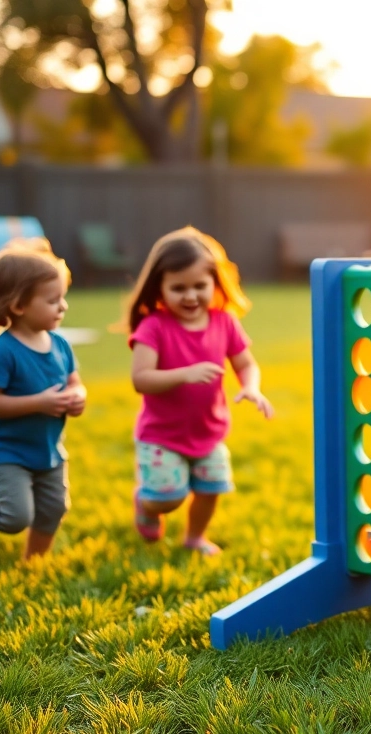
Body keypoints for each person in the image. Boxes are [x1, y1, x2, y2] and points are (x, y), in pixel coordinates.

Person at [123, 227, 273, 556]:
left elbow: (246, 363)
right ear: (159, 288)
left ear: (215, 284)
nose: (190, 296)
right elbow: (141, 379)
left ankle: (194, 537)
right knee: (167, 498)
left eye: (199, 286)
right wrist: (185, 374)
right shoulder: (154, 327)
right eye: (179, 288)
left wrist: (251, 387)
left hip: (208, 431)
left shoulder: (225, 322)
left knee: (211, 489)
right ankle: (146, 505)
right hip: (162, 435)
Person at [0, 239, 85, 559]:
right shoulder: (4, 351)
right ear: (19, 306)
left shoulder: (60, 345)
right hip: (7, 450)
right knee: (15, 517)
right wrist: (38, 403)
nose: (63, 306)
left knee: (53, 508)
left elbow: (75, 382)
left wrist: (78, 396)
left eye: (63, 297)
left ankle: (31, 563)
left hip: (48, 449)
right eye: (53, 300)